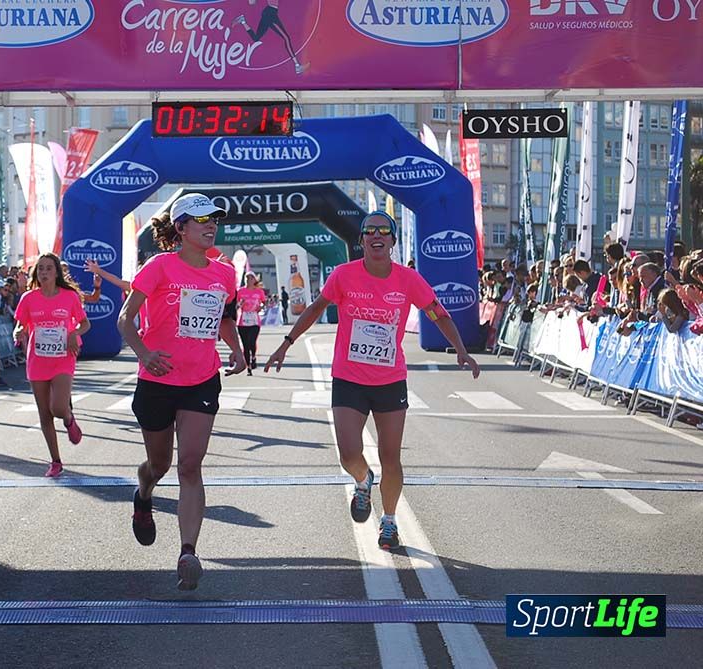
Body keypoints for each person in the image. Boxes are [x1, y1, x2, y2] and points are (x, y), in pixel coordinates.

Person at [264, 211, 480, 551]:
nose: (376, 235)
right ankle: (363, 480)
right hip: (349, 377)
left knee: (390, 455)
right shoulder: (343, 275)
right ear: (361, 240)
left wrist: (461, 349)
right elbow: (316, 308)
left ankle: (390, 521)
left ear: (393, 240)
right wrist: (285, 344)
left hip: (389, 379)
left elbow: (437, 312)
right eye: (369, 231)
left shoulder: (408, 279)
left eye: (383, 230)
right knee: (349, 454)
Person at [116, 193, 247, 591]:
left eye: (215, 220)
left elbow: (223, 321)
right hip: (157, 380)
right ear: (181, 228)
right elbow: (125, 319)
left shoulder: (224, 274)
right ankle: (144, 494)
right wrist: (144, 353)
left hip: (201, 380)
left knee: (190, 465)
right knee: (158, 465)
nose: (211, 225)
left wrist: (238, 351)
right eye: (202, 219)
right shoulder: (160, 266)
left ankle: (187, 551)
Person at [13, 253, 92, 478]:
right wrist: (19, 332)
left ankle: (68, 419)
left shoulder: (69, 297)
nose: (44, 272)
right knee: (44, 414)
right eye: (40, 269)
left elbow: (85, 323)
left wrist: (74, 333)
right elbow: (20, 326)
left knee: (57, 407)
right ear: (36, 274)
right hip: (38, 359)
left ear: (56, 272)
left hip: (63, 356)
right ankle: (56, 461)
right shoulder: (28, 298)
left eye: (49, 268)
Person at [234, 0, 307, 75]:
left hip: (268, 13)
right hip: (270, 14)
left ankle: (243, 21)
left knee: (256, 38)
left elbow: (251, 2)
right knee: (286, 38)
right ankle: (297, 66)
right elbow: (251, 2)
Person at [236, 272, 266, 375]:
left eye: (250, 278)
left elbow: (264, 302)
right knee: (245, 345)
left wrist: (261, 306)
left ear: (254, 280)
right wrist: (240, 304)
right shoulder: (240, 291)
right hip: (242, 321)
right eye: (247, 278)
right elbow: (235, 306)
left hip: (254, 320)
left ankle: (253, 356)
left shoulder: (259, 292)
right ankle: (248, 367)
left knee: (251, 341)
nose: (248, 279)